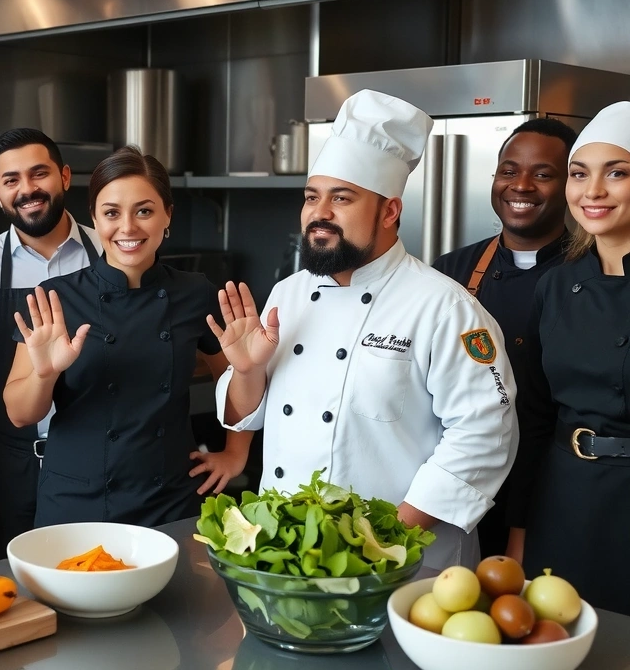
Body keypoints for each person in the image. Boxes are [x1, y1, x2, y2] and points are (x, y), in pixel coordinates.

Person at [212, 89, 518, 570]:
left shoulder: (445, 307)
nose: (320, 213)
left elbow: (485, 431)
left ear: (390, 211)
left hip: (404, 561)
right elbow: (245, 416)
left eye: (342, 198)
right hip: (289, 554)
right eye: (312, 197)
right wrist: (246, 371)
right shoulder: (286, 295)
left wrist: (383, 538)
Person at [3, 146, 250, 527]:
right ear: (95, 218)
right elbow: (20, 415)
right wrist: (45, 373)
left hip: (170, 497)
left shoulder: (196, 293)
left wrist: (235, 454)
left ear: (168, 214)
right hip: (76, 499)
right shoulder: (56, 298)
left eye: (145, 211)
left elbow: (235, 384)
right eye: (112, 213)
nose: (128, 228)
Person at [0, 128, 101, 558]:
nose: (27, 189)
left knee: (95, 574)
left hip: (97, 457)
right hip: (9, 465)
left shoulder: (112, 252)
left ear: (65, 177)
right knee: (13, 590)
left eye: (39, 174)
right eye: (11, 180)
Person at [433, 117, 577, 557]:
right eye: (509, 171)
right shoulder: (450, 273)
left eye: (543, 174)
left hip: (546, 496)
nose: (522, 186)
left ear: (570, 185)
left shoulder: (586, 280)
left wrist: (524, 524)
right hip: (451, 489)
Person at [508, 101, 630, 614]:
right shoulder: (556, 286)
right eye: (580, 175)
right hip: (565, 498)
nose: (593, 191)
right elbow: (533, 416)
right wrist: (518, 536)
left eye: (617, 173)